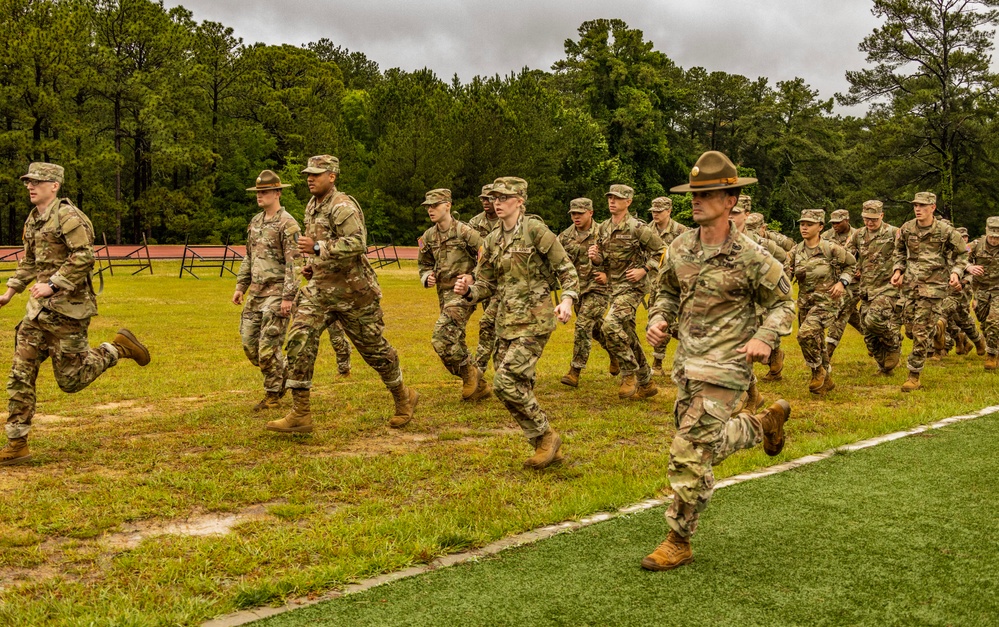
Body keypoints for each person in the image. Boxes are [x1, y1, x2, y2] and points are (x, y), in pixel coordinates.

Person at [643, 150, 793, 571]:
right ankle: (759, 424)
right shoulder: (679, 248)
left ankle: (678, 538)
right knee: (702, 445)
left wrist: (765, 336)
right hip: (686, 365)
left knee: (688, 450)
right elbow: (667, 292)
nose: (697, 200)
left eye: (707, 193)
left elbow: (784, 303)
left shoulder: (752, 255)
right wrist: (658, 318)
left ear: (730, 201)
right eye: (694, 193)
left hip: (728, 369)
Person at [0, 162, 150, 466]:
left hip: (69, 312)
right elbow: (30, 261)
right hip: (37, 315)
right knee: (20, 374)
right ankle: (17, 442)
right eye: (28, 182)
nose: (31, 186)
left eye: (38, 182)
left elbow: (84, 256)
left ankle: (117, 348)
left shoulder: (69, 217)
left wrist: (53, 285)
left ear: (54, 186)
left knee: (71, 380)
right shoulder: (33, 220)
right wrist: (10, 291)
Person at [268, 155, 417, 433]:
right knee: (299, 339)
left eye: (316, 174)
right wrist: (312, 266)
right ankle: (301, 413)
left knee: (374, 351)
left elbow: (357, 243)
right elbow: (319, 249)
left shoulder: (343, 206)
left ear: (332, 176)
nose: (310, 178)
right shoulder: (312, 205)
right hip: (321, 292)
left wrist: (316, 249)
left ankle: (403, 397)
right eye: (308, 174)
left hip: (353, 293)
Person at [454, 177, 578, 469]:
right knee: (513, 386)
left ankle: (547, 437)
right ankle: (545, 447)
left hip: (535, 321)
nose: (497, 203)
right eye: (494, 198)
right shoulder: (492, 239)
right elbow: (486, 282)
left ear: (520, 201)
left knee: (505, 381)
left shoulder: (535, 230)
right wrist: (469, 290)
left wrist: (568, 300)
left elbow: (567, 270)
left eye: (504, 198)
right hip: (505, 323)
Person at [232, 170, 301, 411]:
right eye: (258, 192)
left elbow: (295, 263)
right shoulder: (255, 222)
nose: (260, 196)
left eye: (265, 192)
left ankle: (273, 394)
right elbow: (249, 257)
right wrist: (241, 286)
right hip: (256, 295)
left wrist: (288, 297)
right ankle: (283, 375)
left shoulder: (288, 224)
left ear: (277, 193)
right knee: (250, 346)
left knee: (267, 348)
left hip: (277, 294)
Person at [588, 185, 663, 399]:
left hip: (633, 288)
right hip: (614, 288)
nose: (612, 201)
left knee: (610, 325)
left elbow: (662, 251)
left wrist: (644, 269)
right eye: (610, 197)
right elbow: (602, 261)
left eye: (617, 198)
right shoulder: (602, 228)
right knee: (628, 335)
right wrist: (595, 258)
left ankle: (628, 372)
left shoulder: (637, 228)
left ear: (628, 202)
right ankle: (647, 382)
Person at [891, 192, 969, 392]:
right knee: (909, 328)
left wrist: (956, 272)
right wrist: (898, 270)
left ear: (932, 207)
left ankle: (913, 375)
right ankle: (937, 331)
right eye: (916, 205)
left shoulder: (945, 231)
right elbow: (898, 251)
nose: (918, 209)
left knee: (919, 331)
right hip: (910, 286)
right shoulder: (907, 228)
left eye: (923, 206)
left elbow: (962, 253)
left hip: (934, 287)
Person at [417, 188, 488, 400]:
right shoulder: (428, 236)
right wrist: (426, 275)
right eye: (428, 206)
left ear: (448, 205)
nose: (430, 210)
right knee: (456, 339)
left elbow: (486, 253)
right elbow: (424, 263)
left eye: (435, 205)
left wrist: (473, 276)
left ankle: (468, 373)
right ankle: (481, 385)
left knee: (441, 338)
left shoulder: (465, 232)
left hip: (463, 294)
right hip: (444, 294)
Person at [787, 210, 857, 395]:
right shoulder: (796, 251)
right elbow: (786, 274)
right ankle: (826, 380)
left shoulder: (830, 248)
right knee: (815, 341)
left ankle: (818, 370)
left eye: (809, 224)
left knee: (805, 334)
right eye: (802, 223)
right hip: (805, 303)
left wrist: (842, 282)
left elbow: (852, 264)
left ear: (820, 227)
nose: (804, 227)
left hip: (827, 302)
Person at [729, 196, 788, 411]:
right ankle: (751, 394)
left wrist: (772, 285)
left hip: (757, 306)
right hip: (729, 307)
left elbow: (785, 260)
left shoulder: (762, 245)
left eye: (735, 212)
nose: (730, 216)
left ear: (746, 215)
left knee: (742, 351)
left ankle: (744, 397)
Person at [558, 198, 612, 387]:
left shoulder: (604, 233)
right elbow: (557, 261)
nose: (576, 217)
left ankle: (575, 370)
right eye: (573, 213)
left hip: (598, 288)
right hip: (577, 290)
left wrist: (607, 273)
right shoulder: (565, 237)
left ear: (591, 213)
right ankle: (615, 351)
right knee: (595, 329)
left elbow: (619, 260)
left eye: (579, 213)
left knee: (582, 325)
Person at [845, 200, 902, 374]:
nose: (870, 222)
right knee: (868, 333)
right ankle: (884, 365)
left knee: (874, 321)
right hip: (867, 289)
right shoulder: (858, 235)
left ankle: (893, 343)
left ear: (882, 216)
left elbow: (906, 254)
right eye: (866, 219)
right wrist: (853, 269)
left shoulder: (894, 232)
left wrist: (900, 272)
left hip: (887, 287)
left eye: (874, 219)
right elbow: (846, 255)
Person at [648, 196, 688, 375]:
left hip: (676, 285)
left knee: (679, 322)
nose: (655, 214)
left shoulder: (681, 231)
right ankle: (657, 362)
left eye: (659, 211)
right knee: (657, 321)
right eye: (653, 211)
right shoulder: (646, 231)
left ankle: (691, 341)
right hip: (654, 285)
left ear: (669, 211)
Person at [822, 209, 863, 360]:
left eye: (838, 222)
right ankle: (874, 339)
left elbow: (869, 257)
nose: (835, 225)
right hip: (834, 282)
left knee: (840, 311)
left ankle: (827, 352)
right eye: (832, 223)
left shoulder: (858, 235)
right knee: (850, 313)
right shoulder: (826, 236)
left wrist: (860, 270)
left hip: (855, 284)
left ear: (847, 220)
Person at [468, 184, 500, 373]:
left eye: (489, 198)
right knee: (491, 323)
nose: (485, 202)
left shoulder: (508, 222)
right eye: (483, 199)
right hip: (485, 282)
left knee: (490, 323)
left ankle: (479, 369)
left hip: (506, 281)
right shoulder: (474, 223)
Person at [968, 216, 999, 370]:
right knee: (985, 323)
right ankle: (993, 344)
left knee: (994, 321)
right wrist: (969, 267)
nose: (994, 240)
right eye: (992, 236)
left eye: (997, 237)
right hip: (981, 291)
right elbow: (959, 258)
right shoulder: (976, 245)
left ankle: (992, 354)